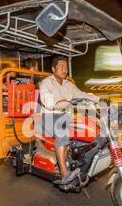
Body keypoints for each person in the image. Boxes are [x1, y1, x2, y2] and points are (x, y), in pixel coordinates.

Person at [39, 55, 101, 183]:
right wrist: (59, 102)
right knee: (62, 132)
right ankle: (64, 172)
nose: (64, 70)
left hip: (66, 116)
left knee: (93, 124)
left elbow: (81, 95)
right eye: (61, 67)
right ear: (53, 69)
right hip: (49, 116)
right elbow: (48, 101)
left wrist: (99, 99)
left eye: (66, 68)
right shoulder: (46, 83)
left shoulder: (68, 84)